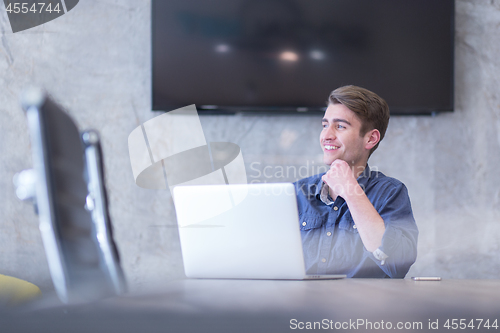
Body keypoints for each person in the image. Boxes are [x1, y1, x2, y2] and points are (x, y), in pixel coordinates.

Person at [294, 85, 418, 278]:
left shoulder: (390, 193)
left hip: (361, 307)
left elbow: (397, 265)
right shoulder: (297, 191)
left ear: (370, 139)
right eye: (325, 125)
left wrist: (351, 191)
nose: (326, 135)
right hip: (299, 305)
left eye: (340, 126)